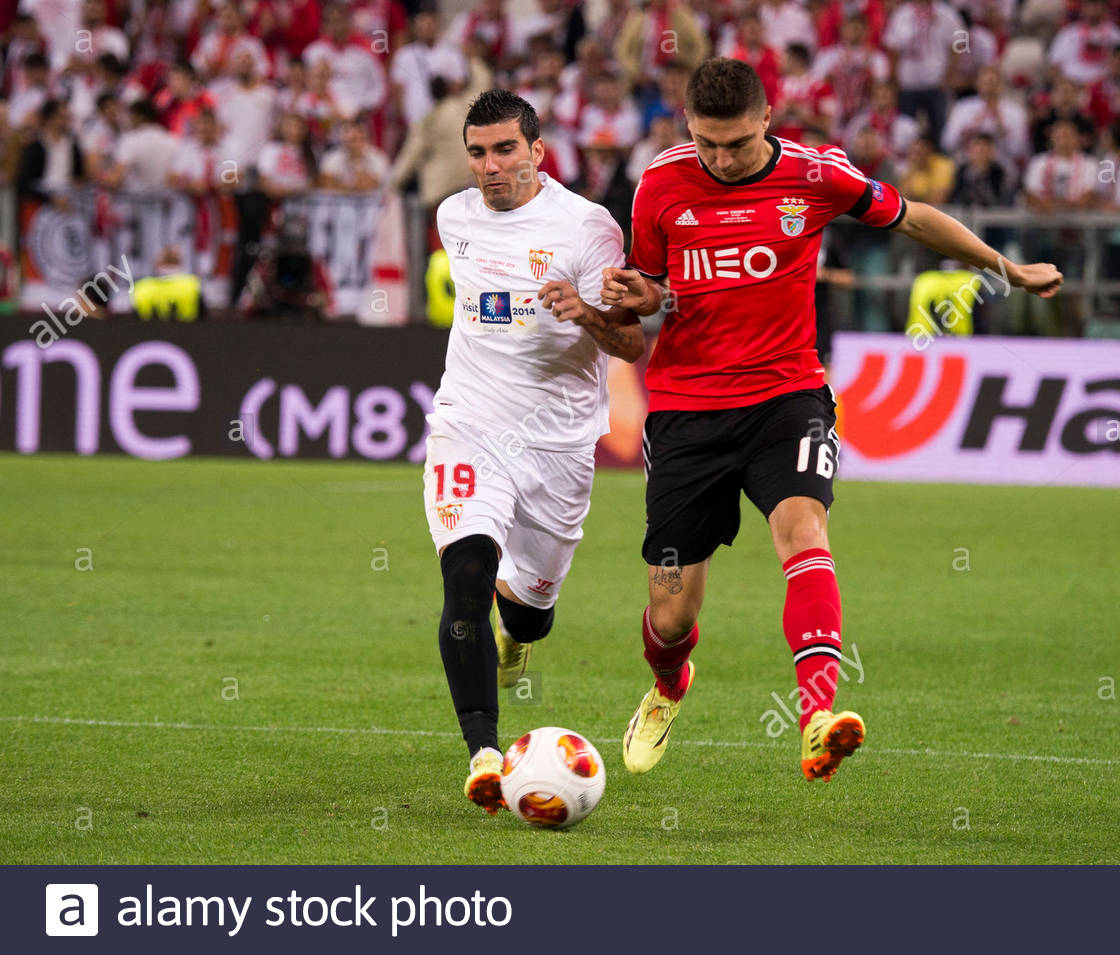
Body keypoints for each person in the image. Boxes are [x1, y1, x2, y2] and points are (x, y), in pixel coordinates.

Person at [600, 58, 1062, 782]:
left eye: (738, 144)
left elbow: (913, 217)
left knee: (805, 531)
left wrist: (1004, 265)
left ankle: (819, 715)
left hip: (788, 393)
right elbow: (650, 290)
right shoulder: (659, 183)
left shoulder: (817, 177)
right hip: (688, 407)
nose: (721, 160)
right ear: (689, 127)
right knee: (671, 615)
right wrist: (634, 291)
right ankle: (667, 684)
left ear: (767, 121)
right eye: (708, 144)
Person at [427, 90, 645, 813]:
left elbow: (631, 340)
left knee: (528, 615)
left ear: (537, 151)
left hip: (557, 441)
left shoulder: (586, 227)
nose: (490, 167)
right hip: (469, 424)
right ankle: (485, 753)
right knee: (465, 573)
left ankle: (516, 627)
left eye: (505, 150)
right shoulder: (452, 217)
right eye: (479, 152)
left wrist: (584, 312)